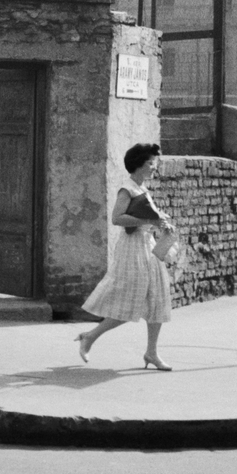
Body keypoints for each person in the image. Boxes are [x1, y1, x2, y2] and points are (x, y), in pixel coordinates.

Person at [75, 141, 180, 370]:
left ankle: (151, 352)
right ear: (140, 164)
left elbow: (146, 219)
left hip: (148, 245)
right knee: (130, 300)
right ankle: (90, 337)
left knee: (157, 298)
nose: (154, 167)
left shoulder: (142, 189)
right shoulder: (128, 188)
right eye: (151, 163)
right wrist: (149, 220)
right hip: (132, 249)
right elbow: (117, 218)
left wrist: (160, 224)